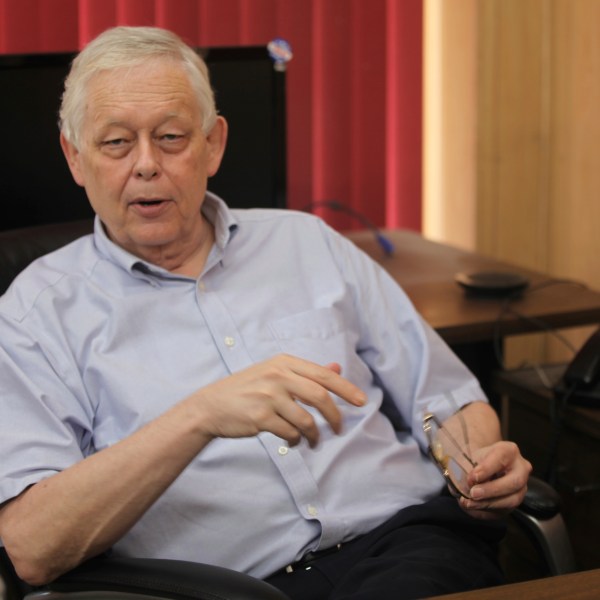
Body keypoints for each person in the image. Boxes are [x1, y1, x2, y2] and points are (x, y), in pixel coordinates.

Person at [0, 26, 531, 600]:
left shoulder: (308, 242)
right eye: (116, 143)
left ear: (214, 144)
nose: (147, 164)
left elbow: (446, 398)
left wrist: (478, 462)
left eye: (172, 137)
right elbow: (31, 549)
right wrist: (198, 417)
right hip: (219, 588)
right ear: (74, 158)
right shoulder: (34, 314)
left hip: (404, 544)